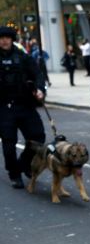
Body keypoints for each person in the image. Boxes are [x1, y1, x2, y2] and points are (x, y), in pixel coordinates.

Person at [0, 26, 46, 189]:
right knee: (8, 143)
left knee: (38, 137)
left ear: (12, 39)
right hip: (4, 108)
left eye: (7, 38)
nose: (4, 41)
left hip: (25, 105)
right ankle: (14, 174)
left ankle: (24, 163)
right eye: (1, 38)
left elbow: (38, 74)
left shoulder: (23, 57)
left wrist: (40, 89)